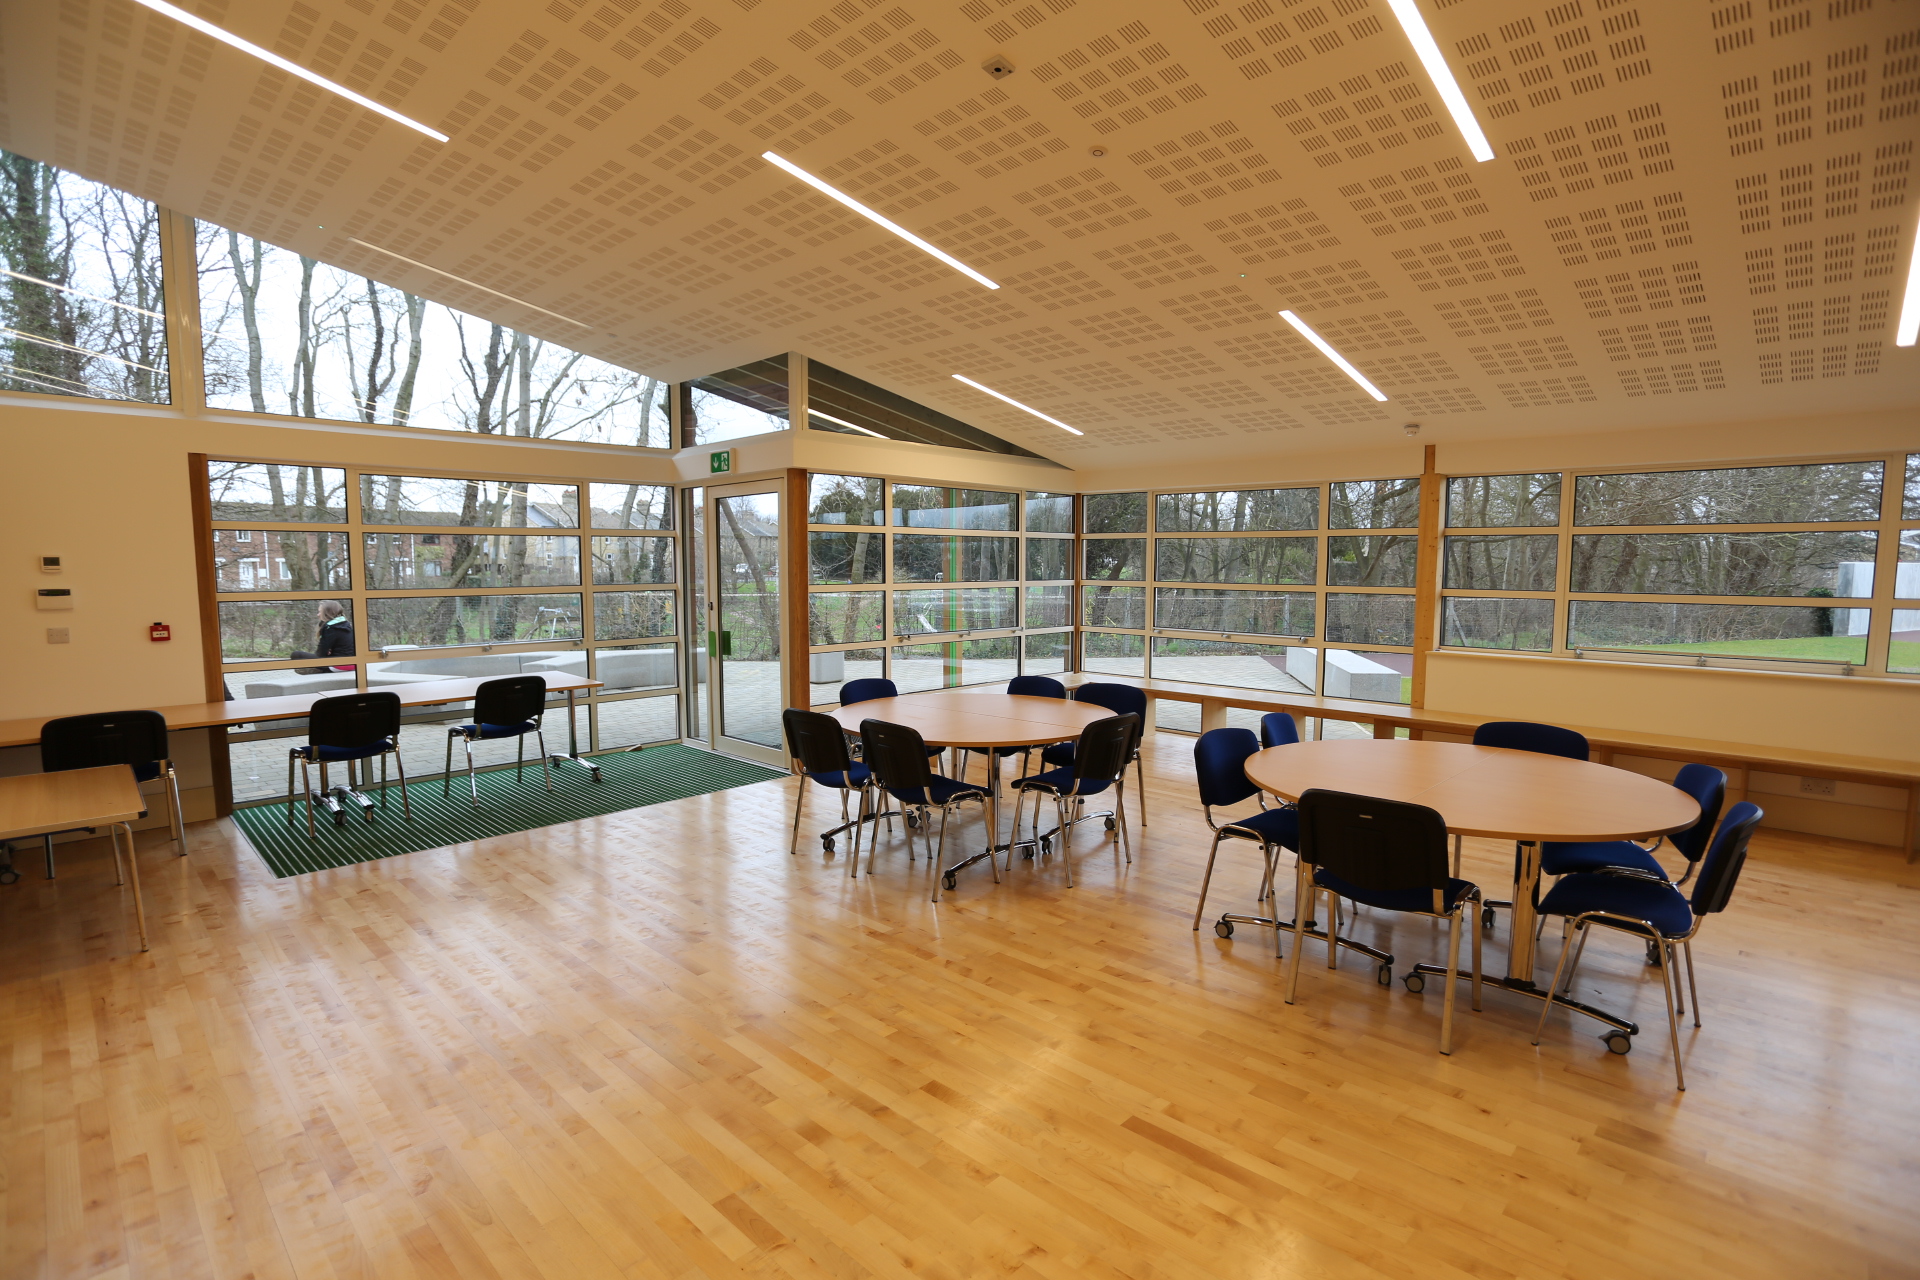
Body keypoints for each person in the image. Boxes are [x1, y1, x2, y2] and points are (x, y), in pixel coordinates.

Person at [292, 601, 355, 674]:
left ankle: (318, 674)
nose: (318, 615)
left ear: (327, 613)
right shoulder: (346, 625)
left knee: (296, 655)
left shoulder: (331, 628)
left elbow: (321, 654)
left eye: (319, 612)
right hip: (353, 664)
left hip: (338, 665)